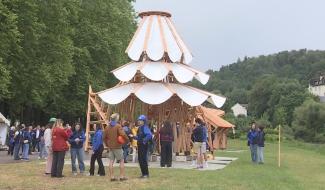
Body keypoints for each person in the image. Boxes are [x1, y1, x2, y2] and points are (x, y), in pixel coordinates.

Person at [103, 113, 129, 181]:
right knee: (121, 160)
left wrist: (107, 144)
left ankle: (112, 177)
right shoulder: (118, 126)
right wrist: (127, 140)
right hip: (118, 147)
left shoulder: (107, 127)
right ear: (116, 119)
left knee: (111, 161)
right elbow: (123, 134)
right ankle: (122, 176)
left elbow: (104, 137)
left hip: (111, 147)